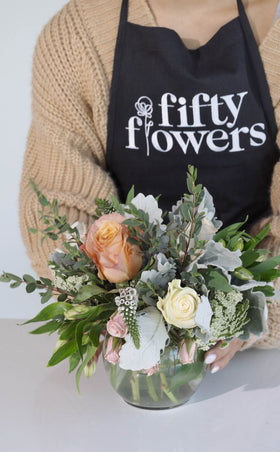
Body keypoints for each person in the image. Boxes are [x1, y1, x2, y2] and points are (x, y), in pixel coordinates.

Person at [19, 0, 280, 373]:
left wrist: (243, 315)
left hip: (260, 374)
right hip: (130, 357)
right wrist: (116, 315)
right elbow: (57, 199)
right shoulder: (78, 34)